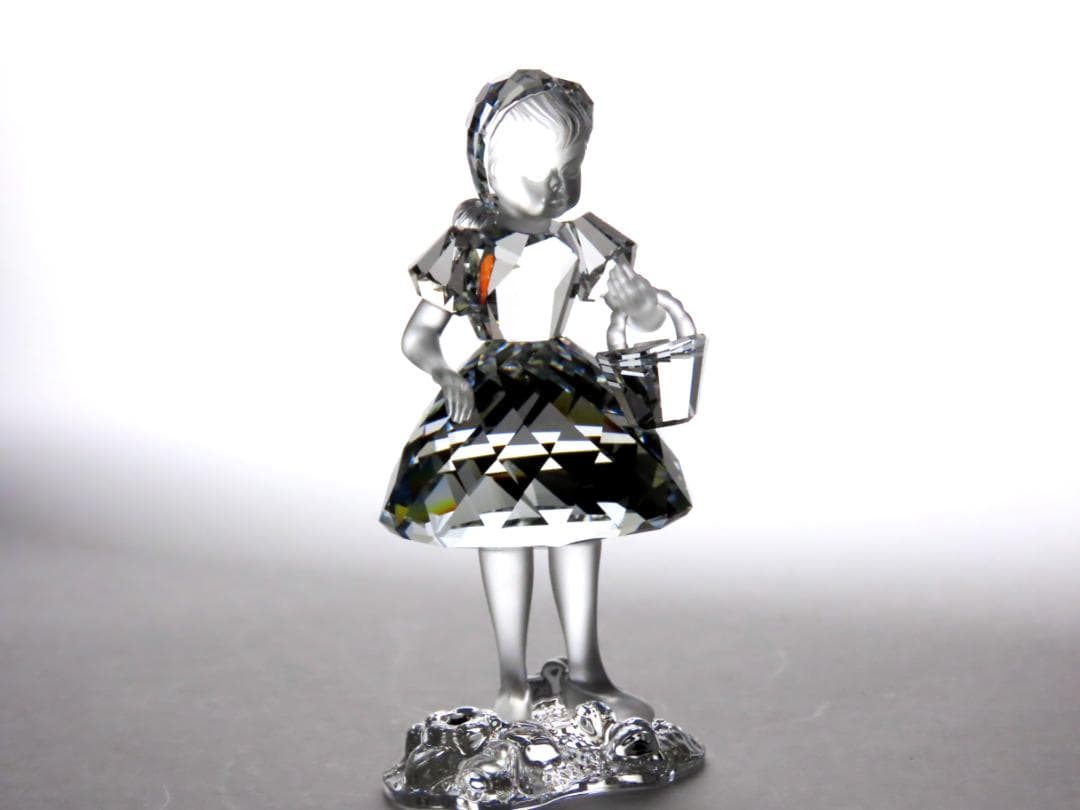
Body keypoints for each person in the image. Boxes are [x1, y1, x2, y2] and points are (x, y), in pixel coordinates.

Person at [380, 69, 692, 723]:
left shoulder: (582, 239)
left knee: (581, 525)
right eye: (539, 171)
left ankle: (587, 671)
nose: (557, 187)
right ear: (489, 171)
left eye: (568, 170)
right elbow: (418, 336)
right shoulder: (468, 248)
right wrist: (445, 375)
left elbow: (634, 310)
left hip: (571, 395)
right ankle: (510, 680)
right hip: (491, 401)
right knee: (500, 530)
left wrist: (638, 303)